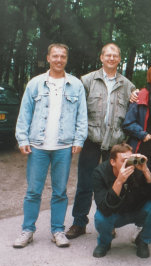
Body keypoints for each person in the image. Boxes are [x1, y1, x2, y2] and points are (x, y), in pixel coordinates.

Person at [13, 43, 88, 248]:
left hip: (63, 147)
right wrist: (23, 139)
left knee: (60, 192)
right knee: (33, 191)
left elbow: (82, 115)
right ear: (48, 58)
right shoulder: (35, 83)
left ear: (66, 59)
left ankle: (57, 230)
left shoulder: (75, 85)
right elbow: (25, 113)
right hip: (37, 146)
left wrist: (79, 139)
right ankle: (27, 230)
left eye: (62, 56)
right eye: (55, 56)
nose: (59, 60)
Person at [66, 43, 136, 239]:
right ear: (101, 57)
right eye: (108, 55)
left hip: (114, 143)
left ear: (119, 59)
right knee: (85, 183)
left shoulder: (127, 86)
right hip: (91, 139)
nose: (111, 58)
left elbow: (132, 115)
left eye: (115, 55)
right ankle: (79, 223)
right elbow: (78, 111)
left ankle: (109, 222)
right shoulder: (87, 81)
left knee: (112, 183)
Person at [92, 143, 151, 258]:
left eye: (129, 159)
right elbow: (104, 208)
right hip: (114, 213)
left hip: (137, 210)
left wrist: (146, 171)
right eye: (123, 161)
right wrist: (119, 181)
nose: (127, 164)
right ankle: (104, 243)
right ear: (112, 162)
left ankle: (143, 241)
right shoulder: (99, 173)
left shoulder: (137, 168)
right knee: (100, 218)